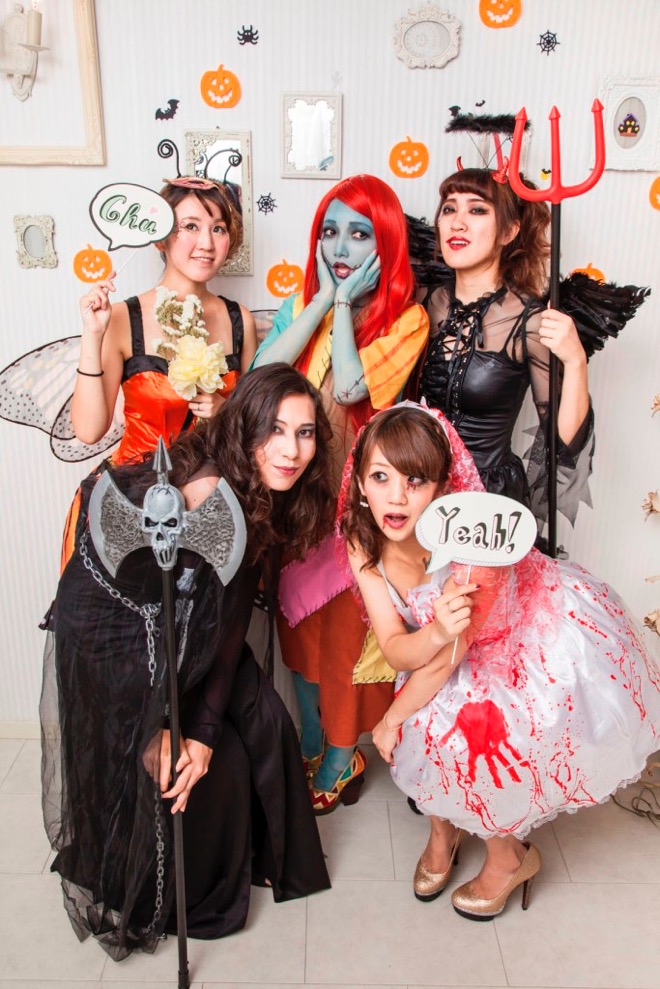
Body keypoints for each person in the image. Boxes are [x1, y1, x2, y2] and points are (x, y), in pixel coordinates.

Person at [40, 364, 333, 961]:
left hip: (194, 630)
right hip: (118, 645)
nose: (291, 450)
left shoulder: (260, 490)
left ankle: (264, 856)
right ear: (245, 427)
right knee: (209, 771)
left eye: (304, 433)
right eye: (274, 430)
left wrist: (200, 726)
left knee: (265, 717)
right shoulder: (203, 488)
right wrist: (158, 726)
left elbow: (229, 616)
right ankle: (175, 895)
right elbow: (146, 616)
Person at [340, 403, 660, 920]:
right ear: (359, 483)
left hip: (521, 647)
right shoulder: (362, 538)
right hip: (439, 653)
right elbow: (397, 645)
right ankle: (443, 832)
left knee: (469, 737)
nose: (396, 497)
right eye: (380, 477)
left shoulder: (474, 553)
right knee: (423, 726)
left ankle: (509, 857)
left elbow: (450, 660)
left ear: (443, 490)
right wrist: (435, 634)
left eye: (415, 480)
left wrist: (391, 718)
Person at [252, 174, 429, 810]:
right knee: (298, 635)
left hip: (358, 511)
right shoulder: (299, 304)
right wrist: (322, 300)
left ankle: (340, 754)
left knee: (346, 646)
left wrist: (347, 307)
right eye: (330, 232)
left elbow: (354, 391)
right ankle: (309, 740)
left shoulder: (406, 319)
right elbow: (259, 377)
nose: (340, 246)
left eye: (359, 233)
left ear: (386, 243)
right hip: (293, 503)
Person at [61, 177, 258, 569]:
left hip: (211, 508)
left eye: (218, 228)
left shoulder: (240, 319)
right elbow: (89, 429)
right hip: (135, 503)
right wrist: (93, 334)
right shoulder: (122, 317)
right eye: (190, 226)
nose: (206, 243)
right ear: (160, 238)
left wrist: (225, 409)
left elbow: (258, 427)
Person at [412, 166, 591, 530]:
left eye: (477, 210)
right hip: (415, 489)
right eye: (449, 208)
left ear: (509, 231)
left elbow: (562, 446)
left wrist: (576, 361)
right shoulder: (419, 302)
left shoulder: (530, 323)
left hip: (487, 507)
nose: (457, 223)